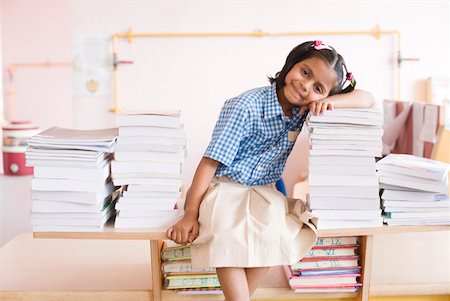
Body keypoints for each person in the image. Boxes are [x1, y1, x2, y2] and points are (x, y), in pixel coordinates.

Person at [166, 40, 375, 301]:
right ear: (292, 63)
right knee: (227, 235)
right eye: (305, 72)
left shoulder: (303, 108)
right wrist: (190, 213)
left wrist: (330, 102)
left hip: (264, 191)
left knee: (273, 235)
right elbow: (210, 162)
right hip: (227, 186)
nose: (305, 86)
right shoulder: (245, 106)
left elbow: (367, 98)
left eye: (317, 88)